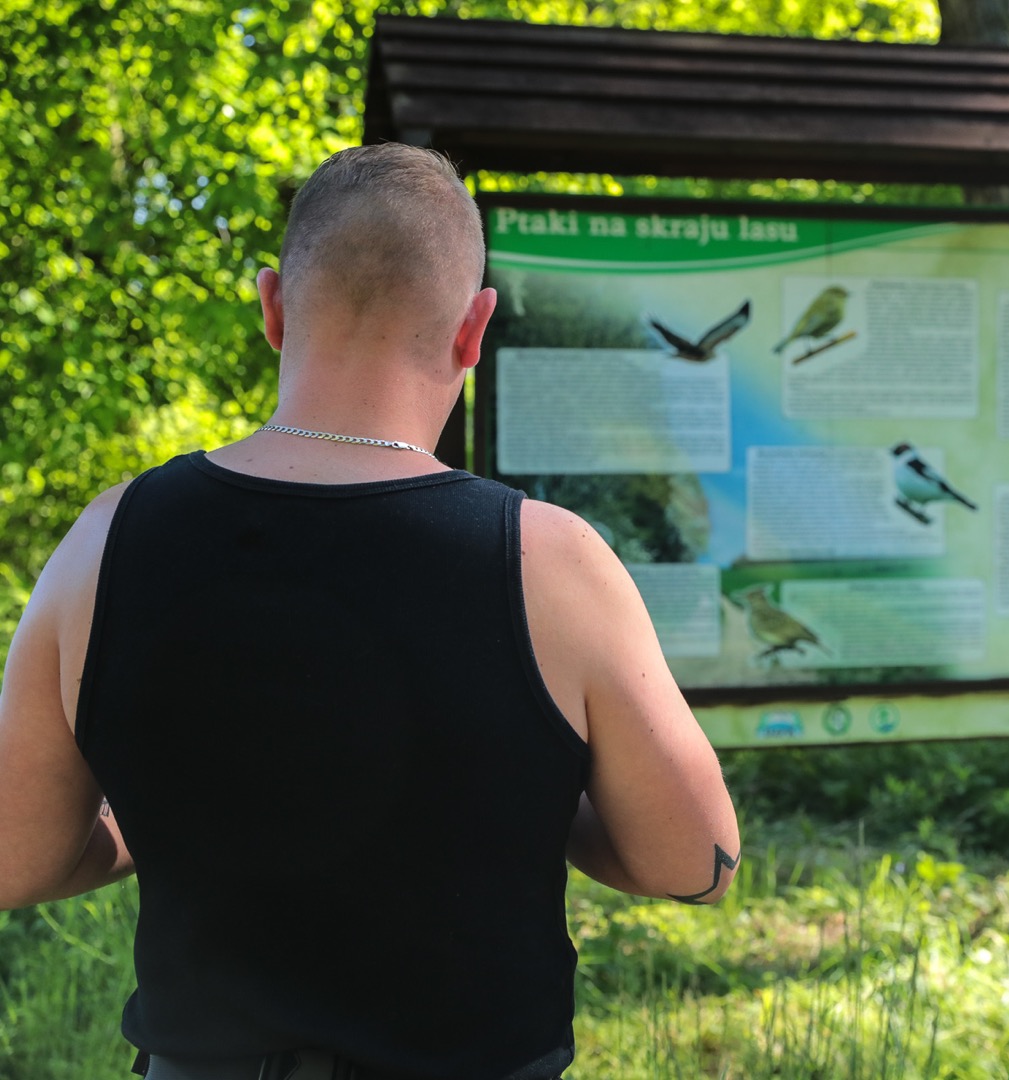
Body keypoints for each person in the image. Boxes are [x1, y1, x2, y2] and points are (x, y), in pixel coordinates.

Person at [0, 143, 739, 1080]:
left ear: (271, 306)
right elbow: (695, 861)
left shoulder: (106, 539)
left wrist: (175, 815)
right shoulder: (551, 562)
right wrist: (522, 780)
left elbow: (14, 858)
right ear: (475, 331)